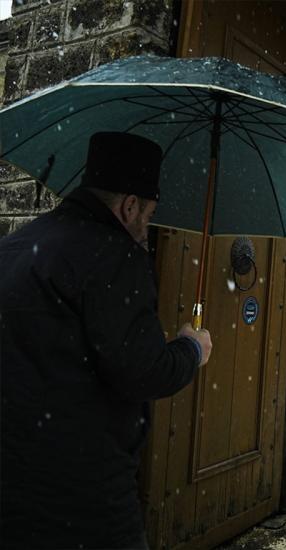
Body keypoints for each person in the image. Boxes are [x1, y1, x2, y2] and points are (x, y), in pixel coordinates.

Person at [0, 132, 213, 549]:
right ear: (130, 206)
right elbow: (143, 371)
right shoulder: (113, 254)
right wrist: (191, 348)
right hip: (80, 493)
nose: (145, 229)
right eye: (149, 216)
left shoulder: (16, 245)